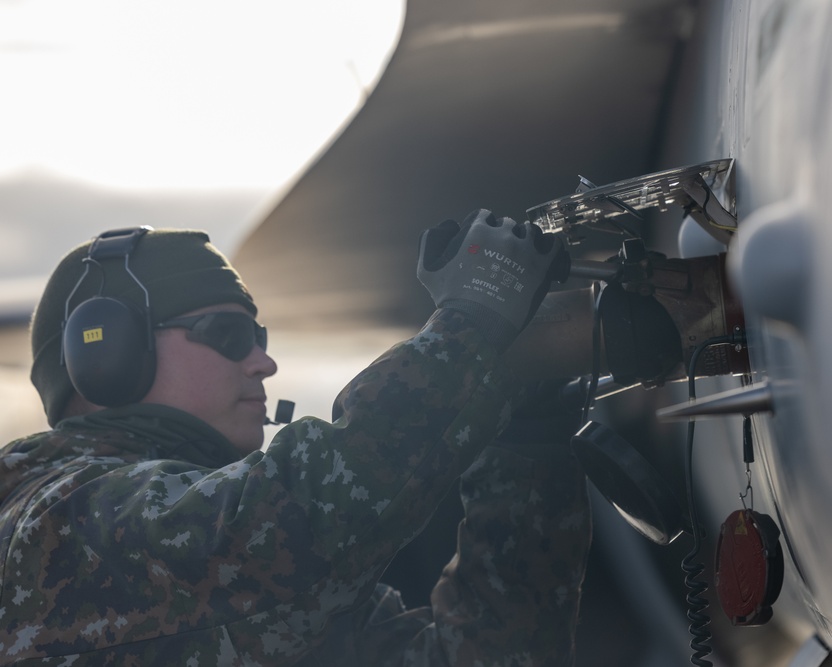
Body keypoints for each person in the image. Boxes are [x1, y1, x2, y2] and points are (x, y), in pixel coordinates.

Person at [0, 211, 591, 665]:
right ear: (107, 358)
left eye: (258, 335)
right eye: (227, 334)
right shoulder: (52, 522)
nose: (263, 362)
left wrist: (521, 449)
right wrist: (471, 325)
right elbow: (284, 524)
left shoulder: (259, 605)